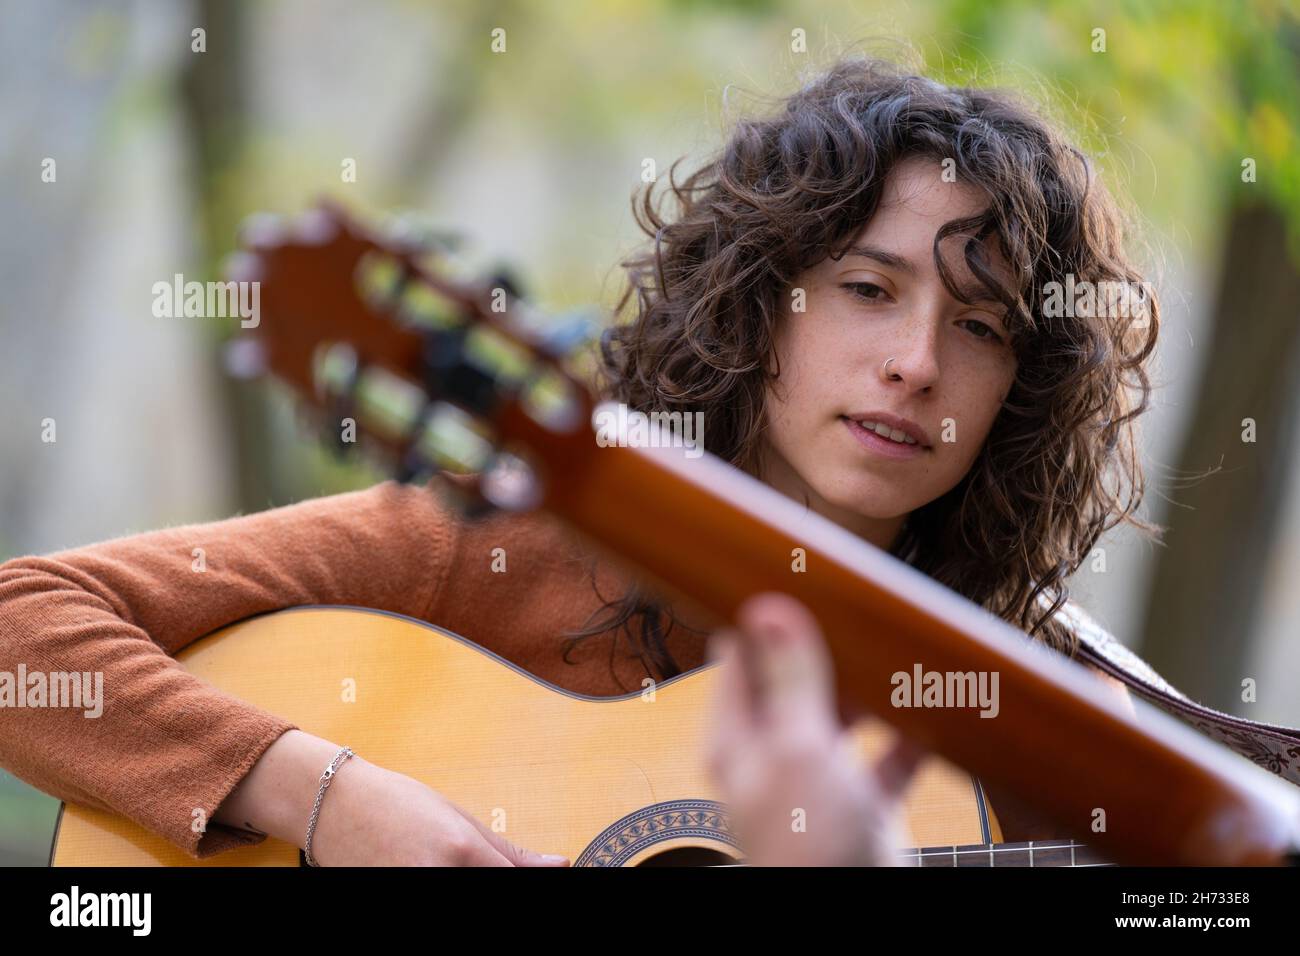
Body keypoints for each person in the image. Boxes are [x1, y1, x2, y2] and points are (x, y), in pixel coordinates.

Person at [0, 56, 1154, 866]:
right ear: (763, 309)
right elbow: (20, 626)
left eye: (982, 326)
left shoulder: (1024, 729)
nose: (915, 363)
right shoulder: (502, 550)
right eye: (867, 289)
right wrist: (332, 799)